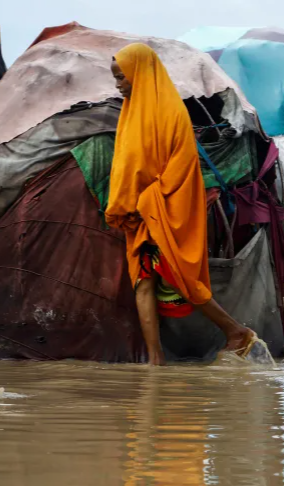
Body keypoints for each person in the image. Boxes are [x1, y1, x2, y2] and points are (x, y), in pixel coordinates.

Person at [106, 43, 257, 366]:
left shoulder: (170, 113)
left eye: (123, 77)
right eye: (116, 79)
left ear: (140, 72)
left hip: (163, 209)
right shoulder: (130, 114)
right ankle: (155, 361)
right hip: (141, 215)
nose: (119, 85)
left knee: (182, 280)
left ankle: (236, 331)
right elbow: (127, 165)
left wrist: (146, 199)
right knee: (142, 283)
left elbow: (181, 171)